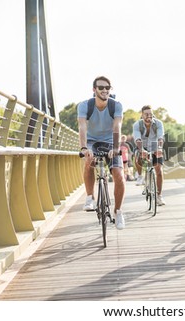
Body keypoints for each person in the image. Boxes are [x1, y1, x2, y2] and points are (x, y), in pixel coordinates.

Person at [77, 76, 125, 230]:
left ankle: (118, 212)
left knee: (118, 175)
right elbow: (82, 127)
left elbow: (117, 126)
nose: (105, 90)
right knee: (89, 161)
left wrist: (116, 147)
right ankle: (90, 197)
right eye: (101, 87)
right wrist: (84, 147)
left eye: (108, 87)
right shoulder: (84, 105)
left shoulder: (116, 105)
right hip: (92, 141)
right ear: (94, 90)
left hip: (111, 142)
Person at [132, 105, 166, 206]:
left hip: (155, 146)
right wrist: (141, 150)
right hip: (142, 145)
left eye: (151, 114)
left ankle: (159, 196)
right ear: (142, 115)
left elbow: (160, 137)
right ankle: (140, 175)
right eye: (146, 114)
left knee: (159, 171)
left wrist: (159, 148)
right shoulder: (137, 125)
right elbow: (137, 138)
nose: (149, 116)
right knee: (137, 155)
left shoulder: (158, 123)